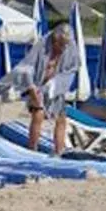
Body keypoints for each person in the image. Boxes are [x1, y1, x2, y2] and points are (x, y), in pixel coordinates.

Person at [18, 23, 82, 155]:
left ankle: (59, 151)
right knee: (38, 115)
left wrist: (59, 85)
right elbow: (27, 69)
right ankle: (32, 150)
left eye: (65, 44)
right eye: (61, 44)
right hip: (38, 86)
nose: (63, 47)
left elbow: (73, 68)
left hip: (55, 88)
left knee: (61, 119)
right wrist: (32, 90)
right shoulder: (41, 48)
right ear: (54, 40)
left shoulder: (69, 49)